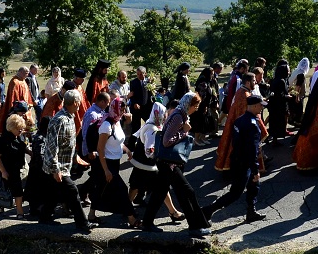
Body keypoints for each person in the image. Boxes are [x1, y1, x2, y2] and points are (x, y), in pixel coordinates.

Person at [141, 93, 212, 237]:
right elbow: (167, 140)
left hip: (166, 163)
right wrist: (184, 133)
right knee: (187, 192)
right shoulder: (179, 116)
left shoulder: (179, 114)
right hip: (170, 163)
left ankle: (147, 223)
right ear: (189, 105)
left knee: (160, 193)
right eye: (195, 105)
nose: (196, 109)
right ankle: (196, 226)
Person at [202, 95, 268, 223]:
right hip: (245, 163)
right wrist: (255, 170)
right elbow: (252, 150)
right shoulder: (253, 125)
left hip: (237, 159)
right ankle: (208, 210)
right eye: (260, 105)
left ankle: (251, 212)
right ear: (254, 106)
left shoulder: (239, 120)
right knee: (236, 193)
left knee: (254, 186)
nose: (262, 107)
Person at [41, 90, 99, 233]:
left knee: (55, 193)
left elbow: (69, 142)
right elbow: (51, 146)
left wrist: (76, 157)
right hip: (58, 167)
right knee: (73, 191)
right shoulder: (59, 120)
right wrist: (56, 169)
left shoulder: (70, 117)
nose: (80, 104)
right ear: (74, 103)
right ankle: (82, 224)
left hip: (65, 165)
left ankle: (44, 217)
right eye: (79, 102)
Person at [87, 97, 139, 228]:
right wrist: (106, 170)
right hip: (106, 163)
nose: (122, 112)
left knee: (100, 188)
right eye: (120, 109)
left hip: (115, 162)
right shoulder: (106, 125)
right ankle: (132, 218)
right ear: (114, 108)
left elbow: (118, 141)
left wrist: (127, 150)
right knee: (122, 189)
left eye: (123, 109)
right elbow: (100, 148)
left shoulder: (117, 121)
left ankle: (91, 215)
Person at [0, 115, 30, 219]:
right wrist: (3, 171)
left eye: (22, 128)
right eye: (19, 128)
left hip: (16, 168)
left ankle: (18, 211)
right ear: (12, 127)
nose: (21, 130)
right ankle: (17, 211)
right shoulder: (3, 140)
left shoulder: (18, 137)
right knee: (8, 188)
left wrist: (31, 153)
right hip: (6, 168)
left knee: (16, 188)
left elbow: (23, 148)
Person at [0, 67, 35, 134]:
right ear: (21, 72)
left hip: (26, 107)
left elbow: (27, 94)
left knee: (28, 125)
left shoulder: (23, 80)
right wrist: (17, 108)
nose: (27, 75)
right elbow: (14, 96)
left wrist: (30, 103)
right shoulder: (14, 82)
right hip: (19, 108)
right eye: (26, 73)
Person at [267, 63, 291, 141]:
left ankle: (274, 140)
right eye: (288, 71)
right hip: (279, 106)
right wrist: (287, 96)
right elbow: (280, 95)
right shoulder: (281, 81)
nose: (289, 73)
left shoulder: (274, 80)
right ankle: (275, 141)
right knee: (278, 123)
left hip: (273, 105)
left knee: (274, 123)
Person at [128, 67, 150, 133]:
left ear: (145, 74)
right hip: (136, 108)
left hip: (146, 108)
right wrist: (135, 103)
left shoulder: (149, 82)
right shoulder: (133, 82)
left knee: (149, 124)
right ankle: (132, 142)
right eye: (138, 74)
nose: (139, 76)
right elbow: (132, 95)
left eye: (141, 74)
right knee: (136, 127)